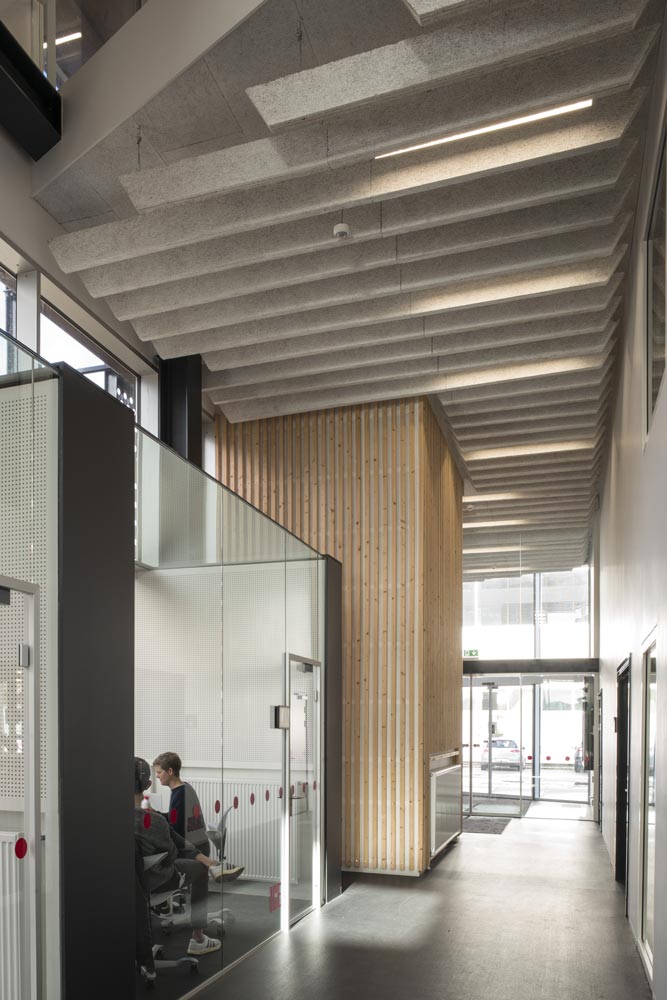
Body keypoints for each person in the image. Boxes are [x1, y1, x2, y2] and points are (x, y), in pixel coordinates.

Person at [134, 757, 221, 956]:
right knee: (200, 868)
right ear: (147, 784)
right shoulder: (180, 794)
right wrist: (158, 817)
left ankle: (207, 863)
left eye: (160, 772)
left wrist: (158, 817)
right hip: (155, 878)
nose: (158, 776)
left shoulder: (116, 818)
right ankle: (198, 938)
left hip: (135, 881)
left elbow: (173, 825)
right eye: (155, 774)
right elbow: (172, 849)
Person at [153, 751, 244, 880]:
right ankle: (216, 866)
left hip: (193, 849)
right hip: (202, 844)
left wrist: (155, 822)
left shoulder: (179, 795)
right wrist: (156, 814)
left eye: (159, 772)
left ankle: (215, 865)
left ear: (170, 771)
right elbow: (176, 817)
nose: (157, 776)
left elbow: (175, 830)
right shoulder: (186, 788)